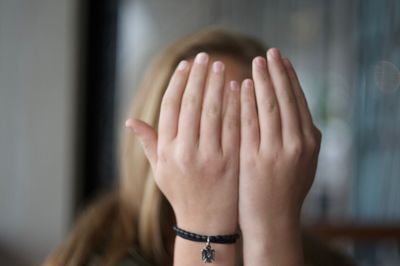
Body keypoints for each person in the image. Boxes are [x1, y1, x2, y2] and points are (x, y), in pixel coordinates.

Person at [45, 27, 355, 266]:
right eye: (203, 125)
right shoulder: (93, 256)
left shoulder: (326, 260)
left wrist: (272, 230)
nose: (222, 151)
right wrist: (203, 223)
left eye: (252, 123)